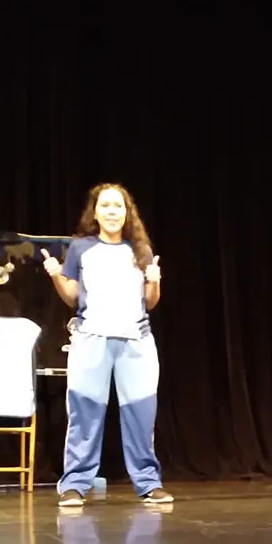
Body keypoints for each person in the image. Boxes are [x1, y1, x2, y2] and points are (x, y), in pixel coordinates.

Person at [41, 183, 172, 507]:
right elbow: (72, 296)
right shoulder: (81, 248)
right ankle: (74, 484)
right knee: (84, 415)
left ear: (127, 213)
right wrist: (56, 275)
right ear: (95, 213)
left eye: (118, 206)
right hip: (91, 340)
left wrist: (155, 281)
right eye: (106, 206)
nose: (112, 212)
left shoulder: (139, 250)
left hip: (136, 343)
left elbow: (150, 302)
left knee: (141, 416)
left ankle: (148, 483)